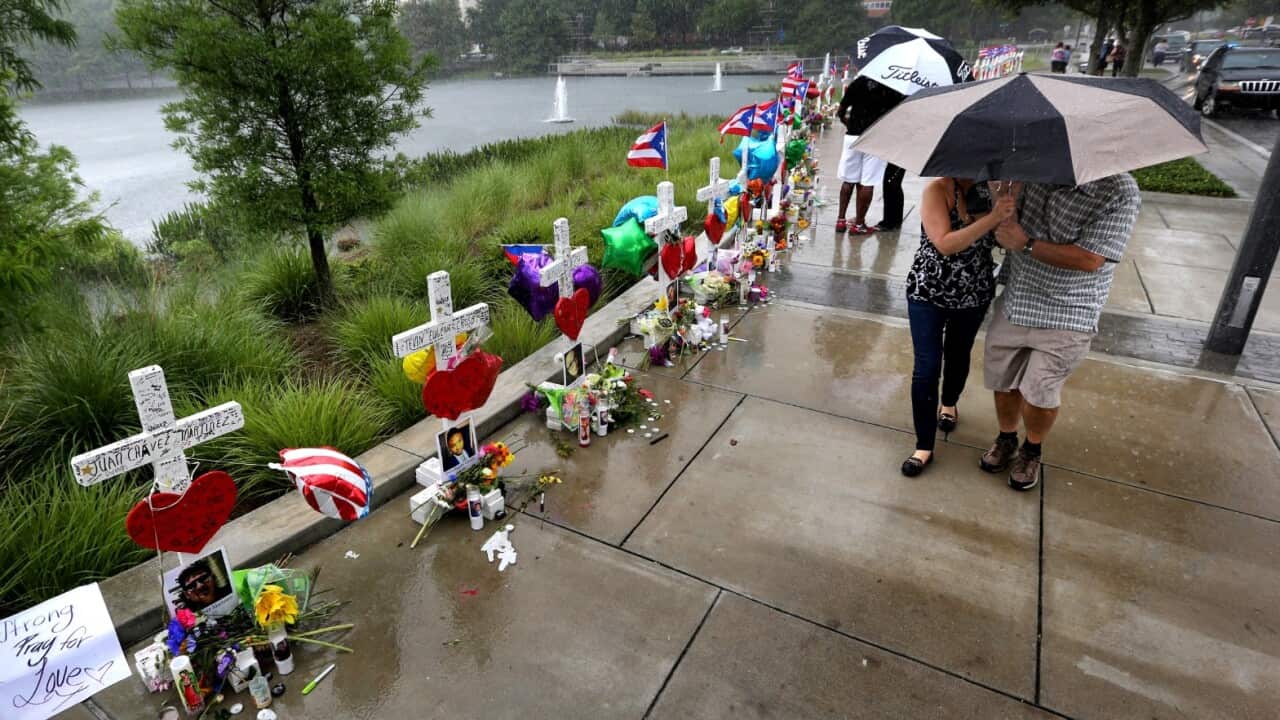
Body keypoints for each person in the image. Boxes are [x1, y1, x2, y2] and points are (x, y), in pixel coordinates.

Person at [980, 175, 1141, 490]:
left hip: (1071, 309)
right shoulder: (1031, 173)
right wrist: (1001, 199)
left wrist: (1025, 243)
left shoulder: (1119, 191)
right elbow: (1002, 231)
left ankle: (1032, 449)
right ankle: (1007, 438)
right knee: (1003, 381)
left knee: (1040, 391)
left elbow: (1090, 259)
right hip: (1019, 297)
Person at [901, 179, 1015, 476]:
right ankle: (924, 445)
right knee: (926, 367)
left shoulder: (992, 193)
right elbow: (944, 243)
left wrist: (1006, 213)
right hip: (928, 291)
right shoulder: (936, 191)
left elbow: (1005, 242)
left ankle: (949, 403)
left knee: (958, 354)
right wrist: (992, 218)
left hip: (973, 292)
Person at [835, 78, 899, 234]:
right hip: (874, 137)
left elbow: (841, 111)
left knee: (848, 180)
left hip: (853, 135)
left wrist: (849, 124)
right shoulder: (890, 87)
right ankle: (859, 224)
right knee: (867, 182)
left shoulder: (858, 82)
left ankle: (841, 221)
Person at [879, 163, 906, 231]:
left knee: (890, 182)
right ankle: (895, 220)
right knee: (893, 183)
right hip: (901, 157)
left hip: (900, 157)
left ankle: (889, 221)